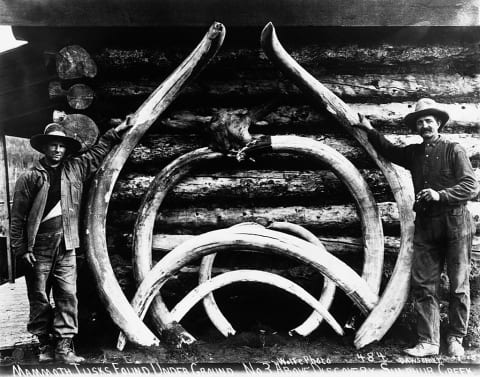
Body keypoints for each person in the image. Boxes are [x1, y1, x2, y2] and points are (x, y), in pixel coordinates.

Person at [354, 98, 478, 358]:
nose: (424, 125)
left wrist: (440, 195)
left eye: (429, 121)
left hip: (456, 223)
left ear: (439, 123)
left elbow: (472, 186)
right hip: (426, 226)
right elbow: (388, 150)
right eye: (420, 122)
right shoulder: (414, 154)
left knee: (457, 285)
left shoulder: (454, 150)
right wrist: (369, 129)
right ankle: (428, 342)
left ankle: (455, 338)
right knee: (424, 284)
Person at [10, 120, 131, 363]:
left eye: (60, 145)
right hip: (38, 248)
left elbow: (98, 151)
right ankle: (44, 345)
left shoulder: (76, 168)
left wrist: (115, 132)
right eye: (51, 145)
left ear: (66, 149)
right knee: (39, 297)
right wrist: (22, 249)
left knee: (67, 295)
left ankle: (64, 348)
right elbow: (17, 218)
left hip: (67, 245)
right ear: (43, 148)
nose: (56, 149)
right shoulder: (30, 177)